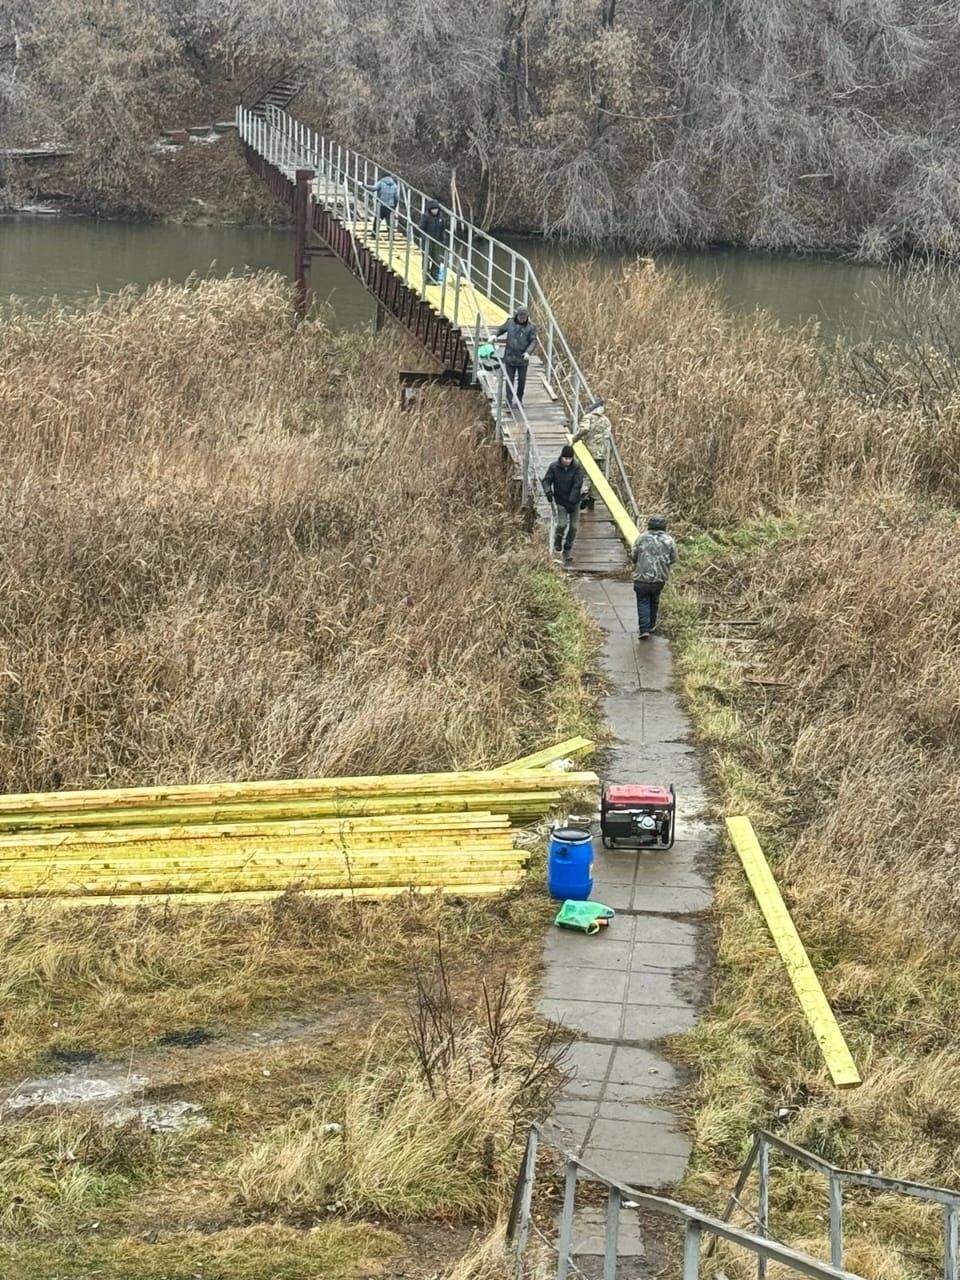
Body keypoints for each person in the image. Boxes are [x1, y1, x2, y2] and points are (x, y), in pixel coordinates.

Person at [631, 515, 678, 638]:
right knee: (654, 599)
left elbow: (634, 556)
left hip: (642, 577)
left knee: (643, 601)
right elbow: (673, 558)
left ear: (649, 525)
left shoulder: (641, 538)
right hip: (660, 577)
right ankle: (652, 624)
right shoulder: (669, 540)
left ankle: (644, 628)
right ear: (664, 526)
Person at [543, 445, 584, 562]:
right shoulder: (554, 467)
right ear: (561, 457)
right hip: (561, 501)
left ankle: (567, 549)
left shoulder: (577, 469)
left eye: (569, 459)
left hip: (574, 502)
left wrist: (572, 500)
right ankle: (558, 542)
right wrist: (548, 491)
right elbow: (546, 481)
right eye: (565, 458)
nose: (567, 461)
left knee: (574, 527)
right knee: (562, 524)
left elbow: (577, 485)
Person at [571, 399, 613, 510]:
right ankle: (592, 498)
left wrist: (574, 439)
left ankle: (584, 492)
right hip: (601, 453)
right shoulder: (606, 421)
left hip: (589, 451)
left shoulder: (588, 417)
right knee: (598, 476)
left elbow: (584, 429)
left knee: (585, 473)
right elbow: (607, 435)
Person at [495, 307, 536, 404]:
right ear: (516, 316)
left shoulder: (531, 328)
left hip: (522, 359)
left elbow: (533, 341)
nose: (522, 319)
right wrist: (494, 335)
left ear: (527, 317)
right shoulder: (510, 323)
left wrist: (528, 352)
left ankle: (519, 399)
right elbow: (500, 329)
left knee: (521, 380)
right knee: (509, 380)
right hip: (510, 357)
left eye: (524, 317)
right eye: (520, 317)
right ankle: (508, 400)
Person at [419, 199, 447, 284]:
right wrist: (424, 237)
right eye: (433, 209)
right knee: (426, 259)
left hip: (437, 241)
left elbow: (443, 228)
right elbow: (421, 228)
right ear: (430, 209)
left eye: (436, 209)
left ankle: (434, 277)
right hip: (427, 241)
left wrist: (443, 239)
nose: (435, 210)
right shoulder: (425, 216)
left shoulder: (441, 217)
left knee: (437, 259)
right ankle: (426, 278)